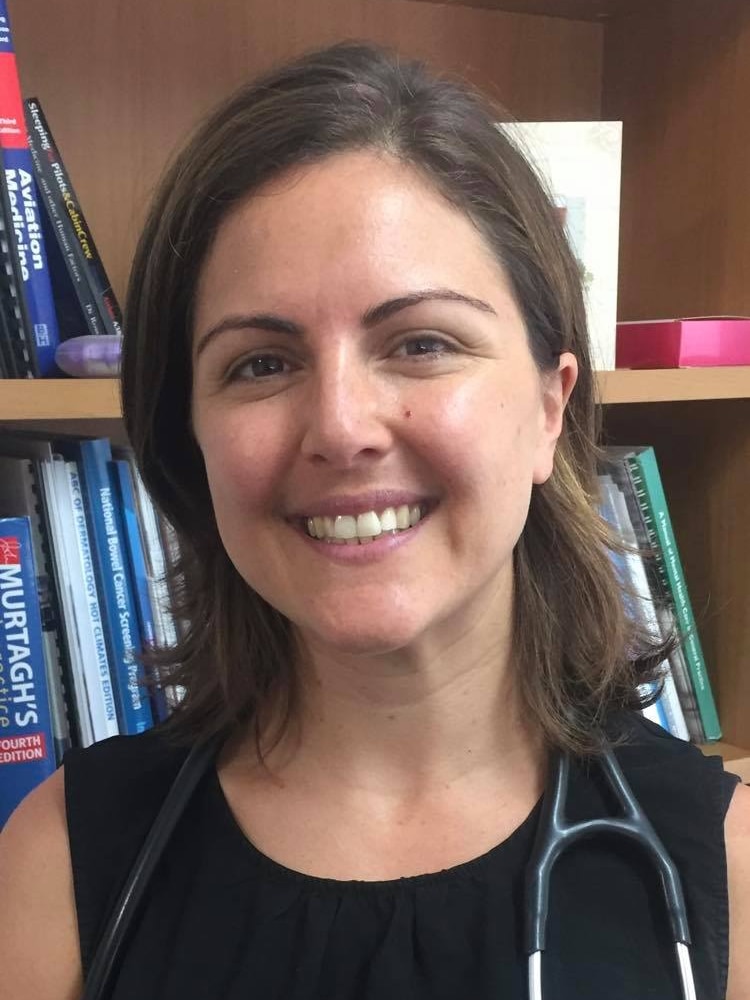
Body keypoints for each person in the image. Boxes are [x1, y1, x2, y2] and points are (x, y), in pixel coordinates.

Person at [1, 41, 748, 1000]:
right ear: (188, 436)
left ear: (549, 409)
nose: (342, 428)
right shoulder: (62, 864)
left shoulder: (726, 872)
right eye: (261, 363)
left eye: (422, 342)